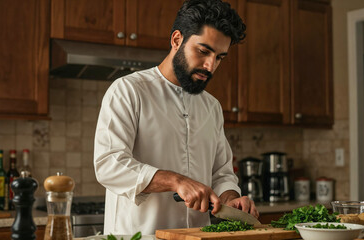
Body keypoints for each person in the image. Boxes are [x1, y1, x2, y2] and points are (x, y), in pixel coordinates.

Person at [94, 0, 257, 235]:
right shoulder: (128, 90)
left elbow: (221, 172)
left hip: (198, 236)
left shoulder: (211, 106)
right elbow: (109, 164)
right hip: (139, 236)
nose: (210, 65)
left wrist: (231, 198)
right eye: (203, 51)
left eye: (220, 57)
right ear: (177, 40)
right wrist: (175, 180)